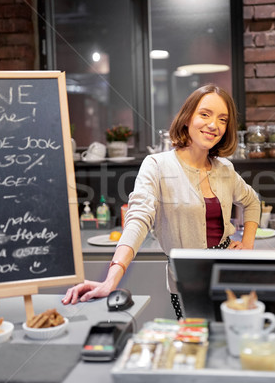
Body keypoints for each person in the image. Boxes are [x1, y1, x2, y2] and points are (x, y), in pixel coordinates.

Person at [62, 84, 261, 318]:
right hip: (186, 279)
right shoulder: (157, 165)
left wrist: (247, 244)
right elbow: (138, 219)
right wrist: (111, 278)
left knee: (231, 342)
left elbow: (252, 202)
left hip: (229, 273)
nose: (213, 125)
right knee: (192, 345)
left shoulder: (225, 169)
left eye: (222, 119)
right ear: (187, 118)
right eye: (205, 114)